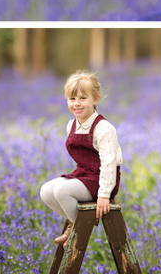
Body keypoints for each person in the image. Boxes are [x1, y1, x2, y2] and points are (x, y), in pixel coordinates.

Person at [39, 70, 122, 245]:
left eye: (83, 98)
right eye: (72, 99)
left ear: (95, 99)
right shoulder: (72, 126)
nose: (77, 104)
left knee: (62, 191)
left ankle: (79, 231)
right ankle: (76, 222)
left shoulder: (103, 128)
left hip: (101, 179)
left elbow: (109, 163)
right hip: (83, 174)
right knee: (46, 191)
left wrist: (104, 195)